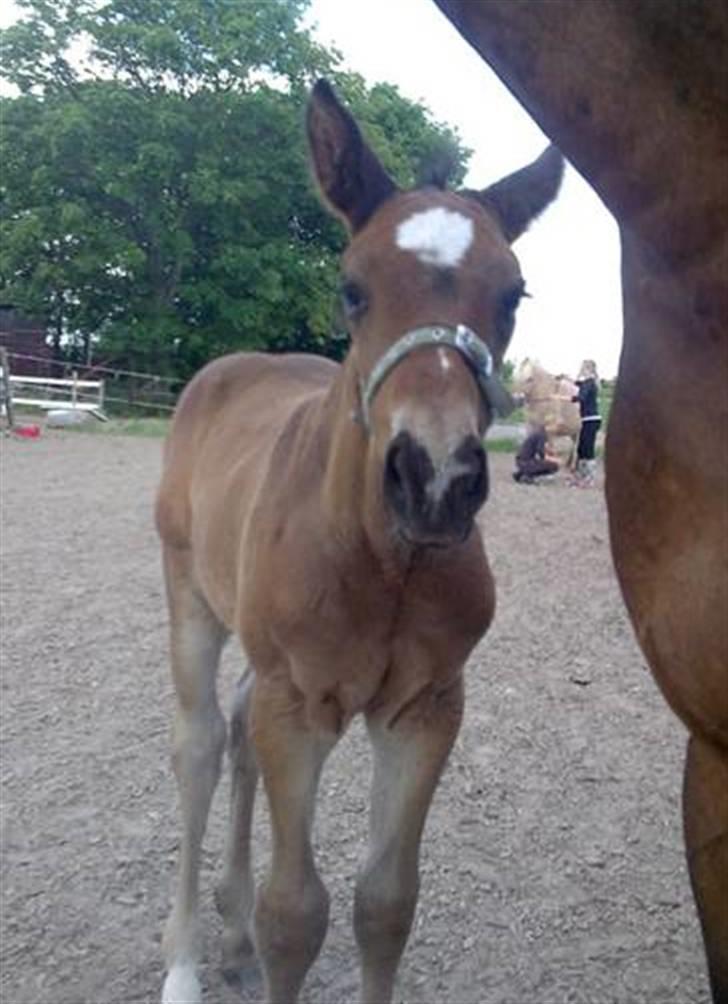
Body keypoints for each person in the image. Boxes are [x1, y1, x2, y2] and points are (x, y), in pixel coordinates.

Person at [571, 359, 601, 486]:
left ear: (587, 369)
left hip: (590, 419)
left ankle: (590, 478)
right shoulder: (589, 382)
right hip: (588, 419)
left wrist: (563, 398)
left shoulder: (589, 383)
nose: (581, 370)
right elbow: (577, 383)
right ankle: (582, 476)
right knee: (582, 449)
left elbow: (581, 397)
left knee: (587, 449)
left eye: (583, 368)